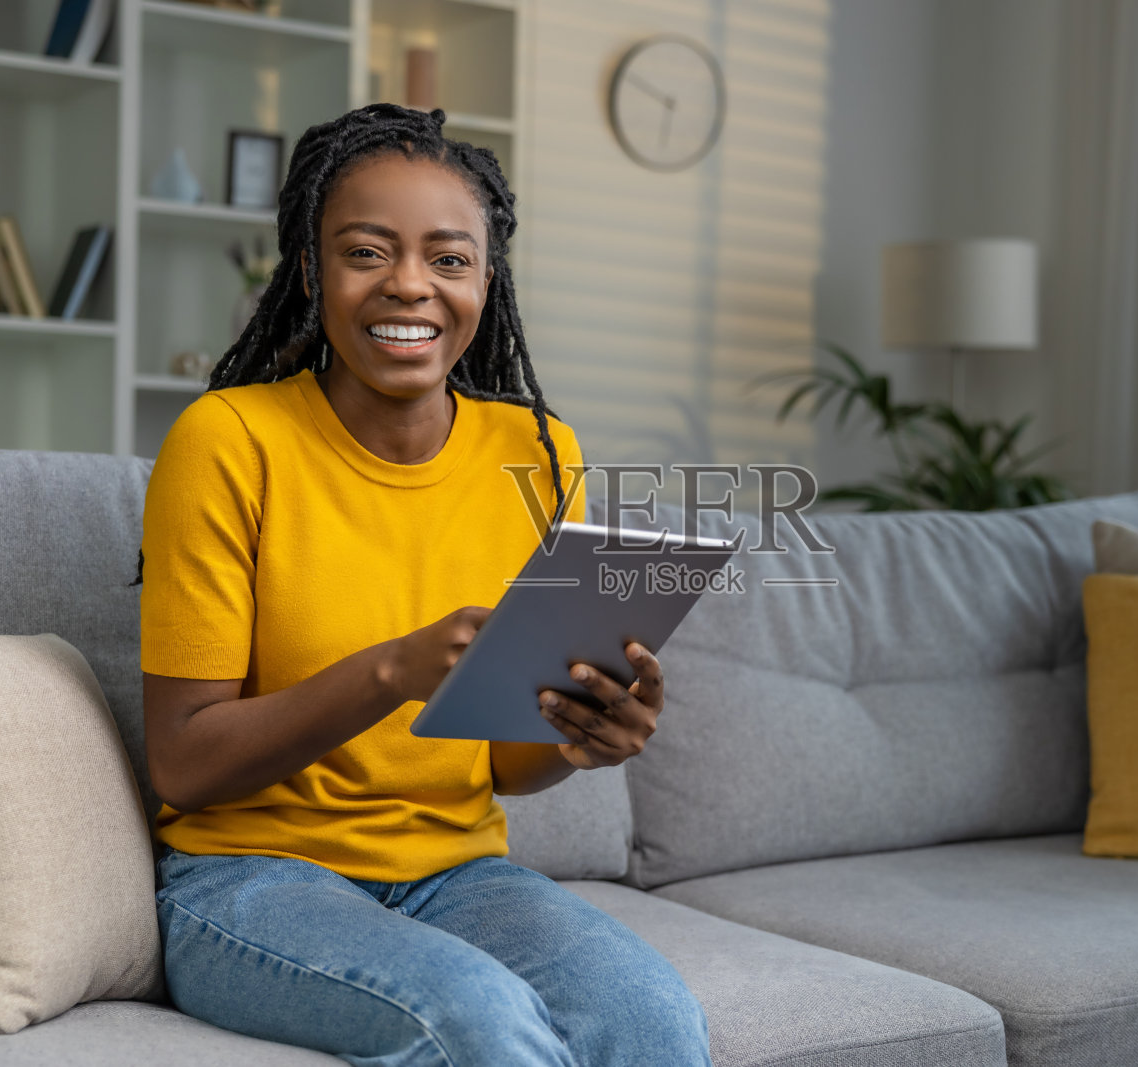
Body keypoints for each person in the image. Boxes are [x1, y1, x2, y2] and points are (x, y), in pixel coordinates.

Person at [132, 103, 712, 1066]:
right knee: (474, 1019)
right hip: (252, 880)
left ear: (486, 278)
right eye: (368, 251)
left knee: (653, 1017)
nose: (411, 285)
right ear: (315, 271)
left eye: (449, 258)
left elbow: (503, 764)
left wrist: (582, 735)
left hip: (460, 870)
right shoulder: (229, 442)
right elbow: (184, 763)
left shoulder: (536, 448)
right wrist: (391, 671)